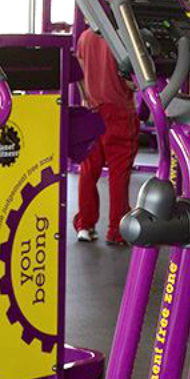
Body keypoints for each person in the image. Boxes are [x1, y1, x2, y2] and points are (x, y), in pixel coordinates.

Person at [74, 27, 139, 246]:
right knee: (118, 174)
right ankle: (117, 230)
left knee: (88, 170)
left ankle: (85, 225)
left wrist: (86, 99)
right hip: (119, 112)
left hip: (93, 109)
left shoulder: (84, 37)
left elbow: (80, 75)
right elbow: (132, 82)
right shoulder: (122, 37)